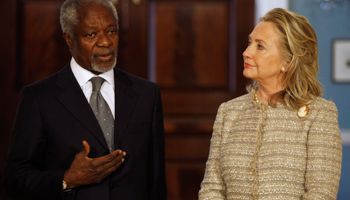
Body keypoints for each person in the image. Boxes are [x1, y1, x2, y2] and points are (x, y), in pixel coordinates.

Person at [4, 0, 167, 199]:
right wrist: (67, 179)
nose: (105, 42)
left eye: (111, 31)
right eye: (91, 34)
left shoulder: (146, 93)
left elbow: (156, 181)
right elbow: (15, 180)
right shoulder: (39, 98)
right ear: (69, 39)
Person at [199, 8, 342, 200]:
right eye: (250, 42)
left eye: (260, 46)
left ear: (288, 62)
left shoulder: (320, 114)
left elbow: (321, 194)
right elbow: (211, 188)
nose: (246, 52)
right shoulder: (228, 112)